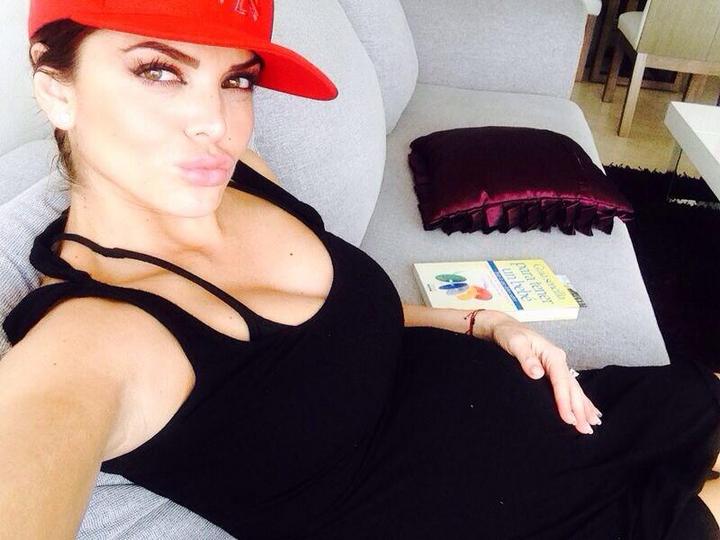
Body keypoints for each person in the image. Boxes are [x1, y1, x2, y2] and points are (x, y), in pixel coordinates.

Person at [1, 1, 719, 538]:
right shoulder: (88, 344)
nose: (215, 123)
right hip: (541, 520)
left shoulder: (239, 173)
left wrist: (480, 321)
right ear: (57, 87)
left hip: (565, 414)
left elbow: (327, 327)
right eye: (158, 70)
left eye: (237, 80)